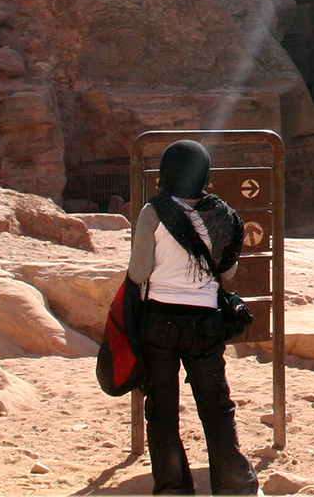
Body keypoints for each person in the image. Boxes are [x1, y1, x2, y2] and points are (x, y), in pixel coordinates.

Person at [127, 139, 257, 496]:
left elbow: (138, 273)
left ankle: (172, 489)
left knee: (163, 410)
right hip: (206, 321)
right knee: (216, 408)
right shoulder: (224, 215)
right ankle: (234, 487)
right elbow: (227, 274)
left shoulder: (153, 211)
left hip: (159, 321)